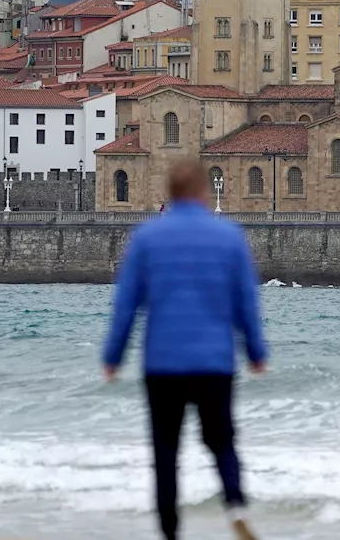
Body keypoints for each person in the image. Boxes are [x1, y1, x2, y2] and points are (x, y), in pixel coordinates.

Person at [103, 159, 268, 540]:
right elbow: (246, 301)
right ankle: (236, 503)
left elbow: (127, 303)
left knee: (165, 450)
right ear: (204, 193)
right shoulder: (229, 238)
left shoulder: (147, 238)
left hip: (163, 363)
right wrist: (257, 352)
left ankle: (170, 530)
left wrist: (113, 356)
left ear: (170, 195)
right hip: (214, 362)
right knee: (222, 440)